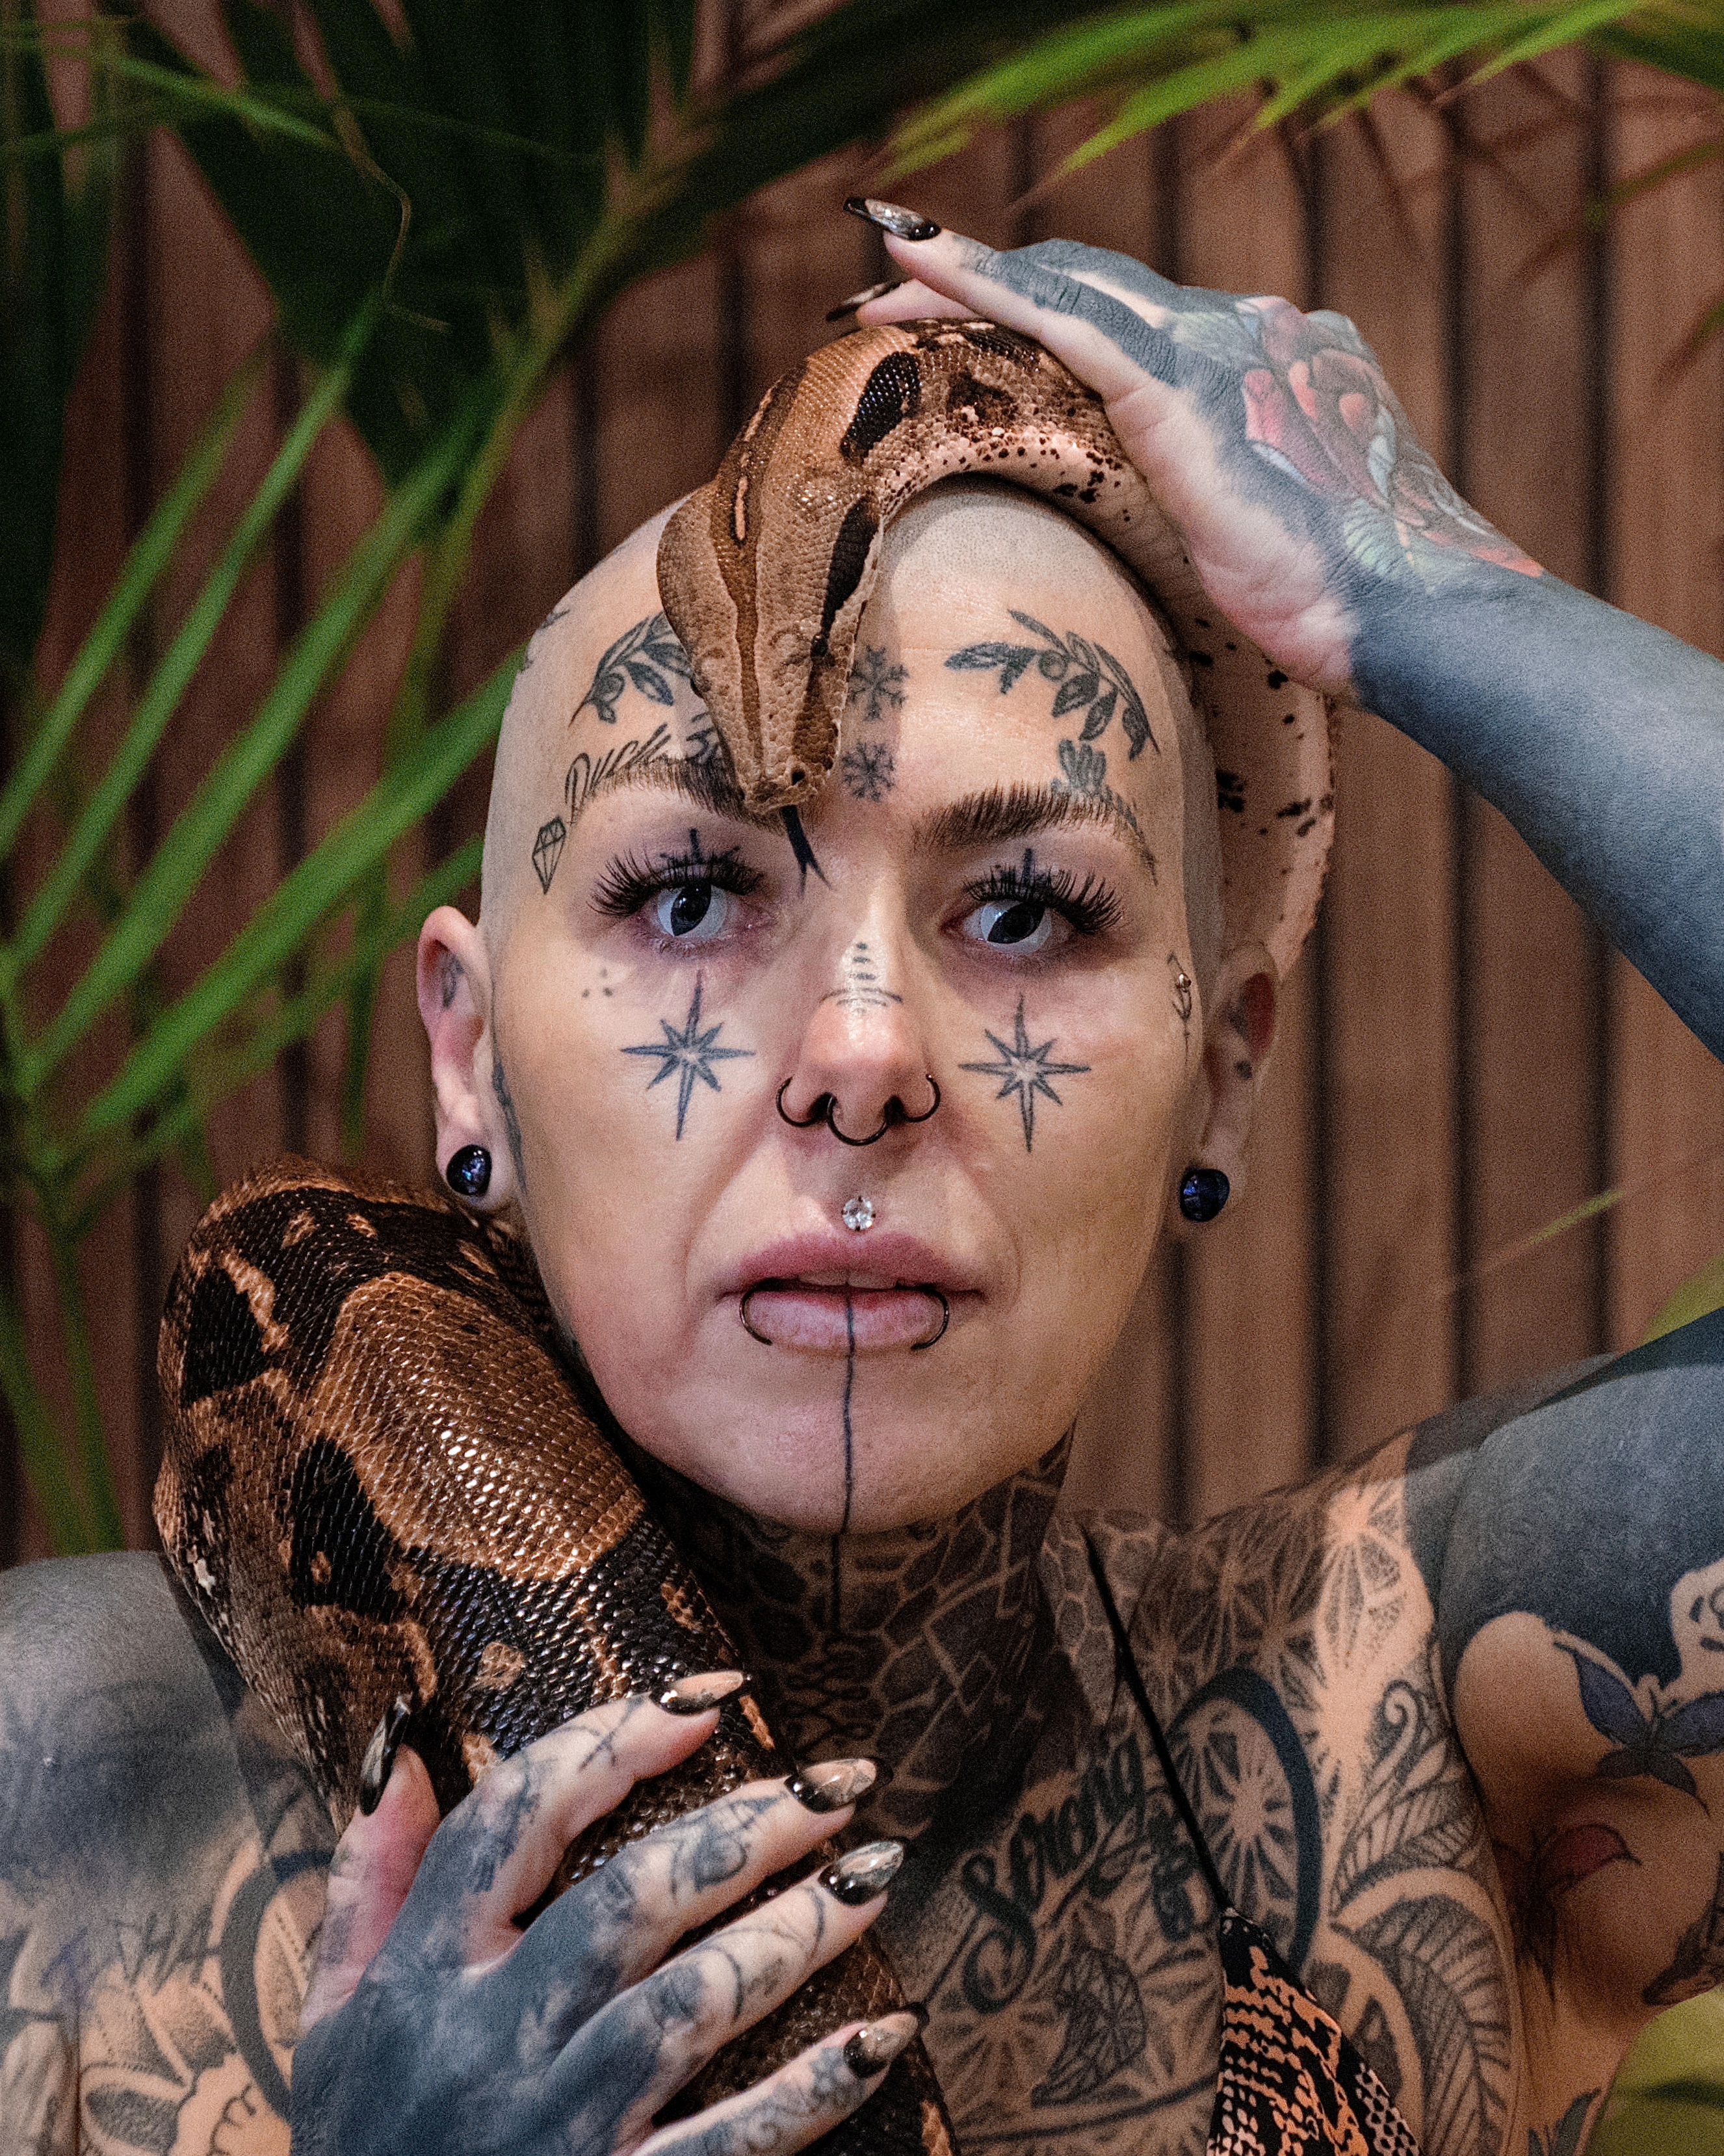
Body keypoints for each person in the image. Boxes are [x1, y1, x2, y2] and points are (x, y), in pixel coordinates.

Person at [3, 205, 1723, 2156]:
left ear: (1223, 1068)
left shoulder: (1422, 1719)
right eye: (689, 894)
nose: (860, 1054)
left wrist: (1410, 578)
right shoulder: (50, 1785)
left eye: (1025, 908)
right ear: (467, 1054)